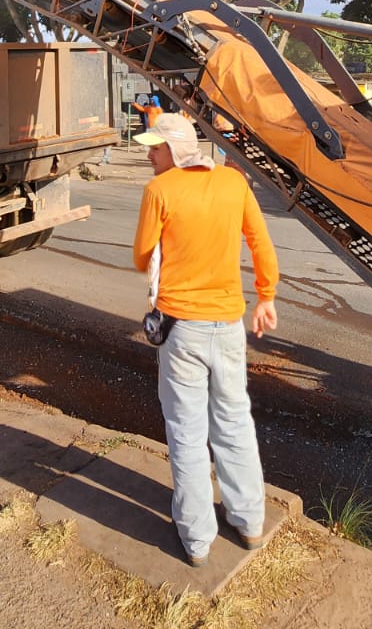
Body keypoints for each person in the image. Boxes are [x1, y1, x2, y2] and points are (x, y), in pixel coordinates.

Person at [132, 112, 279, 566]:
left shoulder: (159, 190)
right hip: (230, 326)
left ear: (174, 150)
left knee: (187, 432)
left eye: (155, 148)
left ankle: (196, 540)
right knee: (235, 422)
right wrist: (266, 297)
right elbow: (260, 243)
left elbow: (141, 258)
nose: (149, 155)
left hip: (182, 331)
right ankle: (250, 521)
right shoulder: (235, 184)